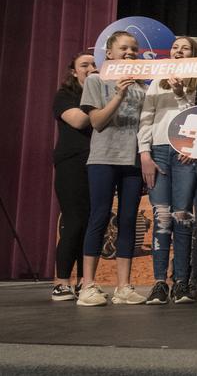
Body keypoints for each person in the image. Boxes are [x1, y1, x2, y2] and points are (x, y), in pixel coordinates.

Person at [76, 31, 147, 306]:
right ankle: (88, 285)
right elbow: (97, 122)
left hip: (131, 162)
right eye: (124, 49)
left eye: (134, 50)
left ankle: (124, 287)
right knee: (99, 217)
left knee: (128, 220)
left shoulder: (142, 88)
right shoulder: (96, 80)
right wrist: (118, 95)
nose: (129, 53)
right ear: (110, 53)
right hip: (104, 158)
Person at [139, 37, 197, 305]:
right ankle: (158, 283)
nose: (178, 51)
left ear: (194, 55)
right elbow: (146, 118)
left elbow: (195, 119)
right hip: (159, 152)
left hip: (185, 153)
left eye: (184, 48)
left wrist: (179, 93)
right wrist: (144, 153)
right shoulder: (157, 82)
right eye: (175, 47)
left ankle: (181, 282)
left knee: (182, 216)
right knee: (162, 216)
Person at [51, 50, 96, 302]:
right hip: (72, 162)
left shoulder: (102, 93)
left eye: (94, 64)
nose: (91, 68)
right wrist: (99, 101)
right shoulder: (65, 95)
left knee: (91, 223)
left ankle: (83, 281)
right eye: (84, 64)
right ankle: (61, 281)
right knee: (75, 220)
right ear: (74, 71)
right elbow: (78, 121)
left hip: (97, 163)